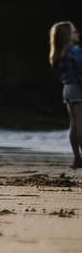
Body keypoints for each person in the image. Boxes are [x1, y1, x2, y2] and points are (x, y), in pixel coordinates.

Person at [55, 22, 82, 169]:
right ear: (68, 35)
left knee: (74, 124)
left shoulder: (59, 52)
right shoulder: (74, 51)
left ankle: (77, 157)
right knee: (80, 123)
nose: (78, 34)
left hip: (67, 88)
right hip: (77, 87)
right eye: (75, 32)